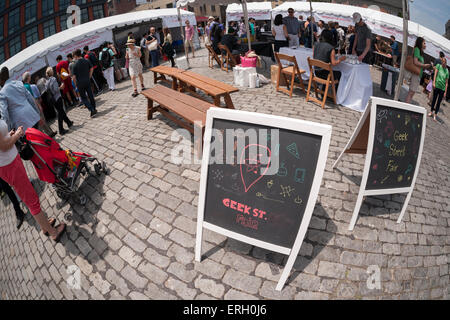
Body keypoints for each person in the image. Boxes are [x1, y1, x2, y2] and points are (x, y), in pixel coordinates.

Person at [0, 122, 66, 241]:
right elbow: (4, 146)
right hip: (9, 165)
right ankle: (53, 232)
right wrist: (17, 135)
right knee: (31, 199)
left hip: (9, 162)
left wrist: (10, 135)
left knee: (29, 196)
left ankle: (44, 226)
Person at [0, 67, 41, 132]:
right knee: (39, 138)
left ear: (1, 80)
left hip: (21, 124)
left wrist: (8, 131)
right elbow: (31, 99)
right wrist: (37, 113)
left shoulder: (2, 93)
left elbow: (5, 114)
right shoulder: (19, 83)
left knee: (32, 141)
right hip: (32, 115)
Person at [21, 72, 57, 137]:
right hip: (34, 105)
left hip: (30, 108)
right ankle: (47, 135)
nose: (30, 77)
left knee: (41, 121)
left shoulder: (24, 87)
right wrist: (39, 106)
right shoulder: (28, 86)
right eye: (30, 76)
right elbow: (33, 98)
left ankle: (50, 133)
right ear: (28, 78)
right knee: (42, 120)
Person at [45, 67, 73, 135]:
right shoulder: (53, 79)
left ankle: (68, 122)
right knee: (60, 113)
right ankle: (61, 129)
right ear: (51, 72)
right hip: (57, 97)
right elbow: (55, 90)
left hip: (53, 100)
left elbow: (47, 90)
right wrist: (61, 87)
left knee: (61, 111)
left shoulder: (47, 81)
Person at [404, 37, 432, 104]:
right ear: (420, 43)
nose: (425, 44)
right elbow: (415, 62)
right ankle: (406, 106)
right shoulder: (417, 49)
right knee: (411, 92)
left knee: (412, 92)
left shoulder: (420, 51)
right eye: (424, 43)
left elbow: (418, 63)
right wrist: (424, 65)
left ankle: (406, 105)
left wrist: (425, 66)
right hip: (415, 74)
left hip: (418, 74)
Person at [72, 49, 97, 118]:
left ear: (76, 55)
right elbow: (91, 68)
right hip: (87, 80)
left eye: (74, 56)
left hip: (80, 83)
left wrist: (75, 85)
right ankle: (94, 108)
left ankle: (91, 109)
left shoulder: (75, 64)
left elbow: (74, 77)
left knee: (83, 98)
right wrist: (90, 76)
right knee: (91, 95)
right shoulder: (86, 60)